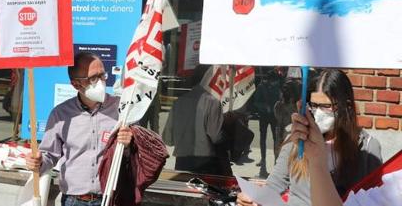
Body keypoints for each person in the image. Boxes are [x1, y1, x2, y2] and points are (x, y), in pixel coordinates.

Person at [237, 69, 382, 206]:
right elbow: (275, 183)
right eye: (314, 105)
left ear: (346, 106)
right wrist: (254, 197)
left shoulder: (367, 148)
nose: (318, 112)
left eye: (325, 106)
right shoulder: (296, 139)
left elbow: (375, 198)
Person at [25, 52, 133, 206]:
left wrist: (130, 143)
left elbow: (138, 154)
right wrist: (37, 162)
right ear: (76, 84)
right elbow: (49, 156)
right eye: (93, 78)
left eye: (103, 75)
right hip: (74, 200)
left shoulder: (121, 109)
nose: (101, 82)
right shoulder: (61, 114)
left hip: (111, 199)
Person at [162, 65, 232, 176]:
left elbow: (167, 139)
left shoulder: (178, 102)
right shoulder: (212, 102)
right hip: (205, 163)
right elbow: (216, 137)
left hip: (182, 162)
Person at [252, 66, 283, 176]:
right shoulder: (261, 87)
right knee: (263, 138)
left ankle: (276, 161)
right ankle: (263, 160)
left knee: (276, 138)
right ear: (270, 80)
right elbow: (255, 102)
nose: (275, 83)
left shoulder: (277, 87)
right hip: (264, 116)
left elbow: (281, 100)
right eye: (274, 82)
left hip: (274, 116)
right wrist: (264, 106)